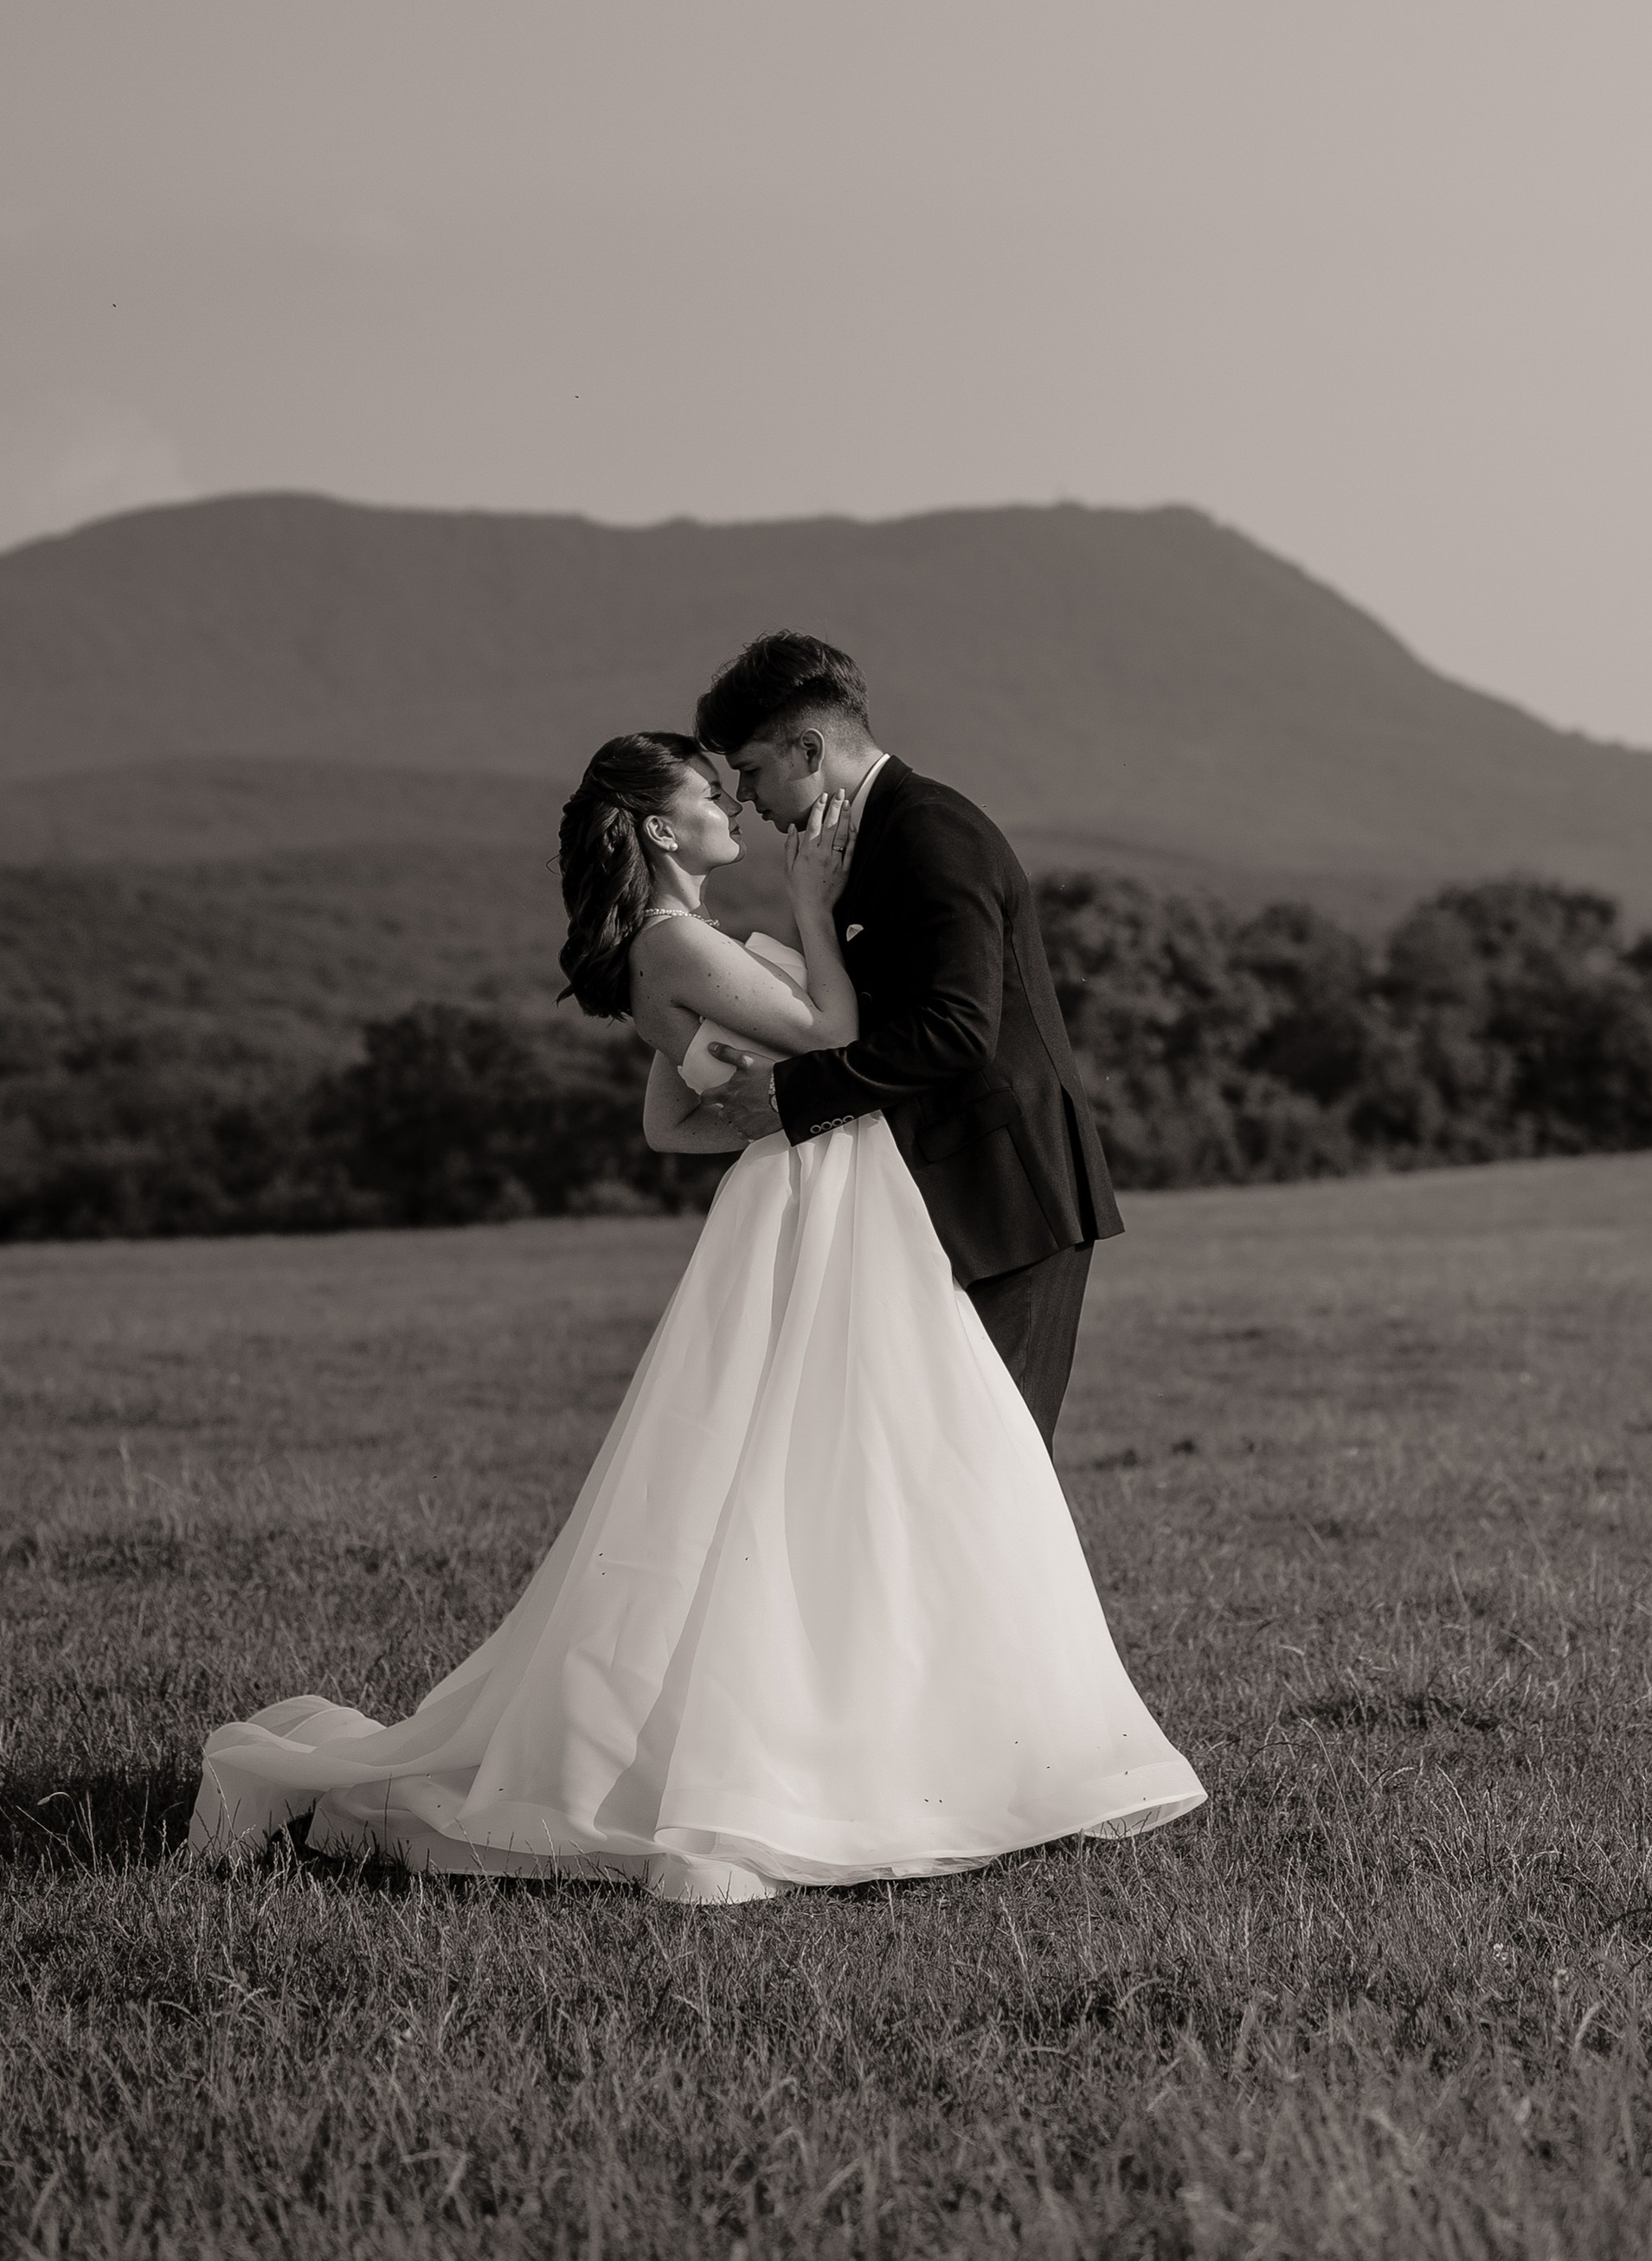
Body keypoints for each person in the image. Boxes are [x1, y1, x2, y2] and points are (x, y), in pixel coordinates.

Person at [190, 710, 1202, 1903]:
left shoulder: (687, 937)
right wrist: (814, 915)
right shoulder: (675, 942)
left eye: (739, 788)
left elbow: (669, 1121)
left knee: (878, 1463)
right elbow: (826, 1033)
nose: (736, 808)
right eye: (712, 800)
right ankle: (838, 1753)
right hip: (820, 1197)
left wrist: (751, 1084)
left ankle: (913, 1735)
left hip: (828, 1185)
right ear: (665, 829)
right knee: (848, 1464)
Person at [685, 633, 1116, 1452]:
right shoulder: (860, 840)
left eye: (750, 769)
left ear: (808, 748)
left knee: (992, 1465)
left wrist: (785, 1096)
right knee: (925, 1461)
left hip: (1007, 1197)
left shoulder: (930, 832)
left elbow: (955, 1031)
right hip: (943, 1190)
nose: (744, 797)